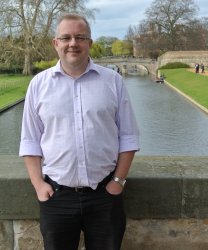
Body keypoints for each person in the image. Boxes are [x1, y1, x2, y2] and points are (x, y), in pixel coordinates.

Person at [19, 13, 139, 250]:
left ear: (89, 43)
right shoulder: (39, 84)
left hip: (104, 195)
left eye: (80, 37)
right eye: (65, 37)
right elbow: (30, 140)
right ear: (56, 43)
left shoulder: (113, 81)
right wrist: (38, 185)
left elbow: (128, 135)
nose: (73, 43)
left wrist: (117, 181)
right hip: (56, 196)